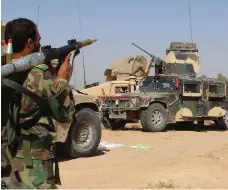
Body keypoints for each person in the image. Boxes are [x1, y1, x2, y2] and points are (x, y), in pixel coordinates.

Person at [3, 18, 74, 189]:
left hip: (7, 161)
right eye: (38, 40)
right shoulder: (38, 73)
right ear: (29, 42)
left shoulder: (4, 68)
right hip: (32, 164)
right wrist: (62, 78)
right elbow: (65, 115)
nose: (40, 44)